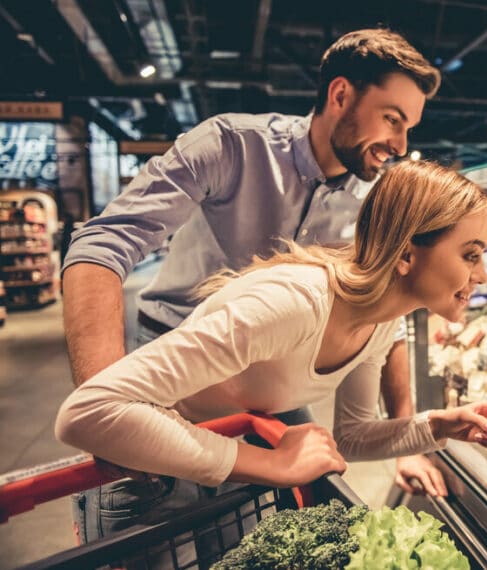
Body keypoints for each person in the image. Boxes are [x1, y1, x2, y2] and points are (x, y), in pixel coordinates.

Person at [61, 28, 447, 497]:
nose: (401, 145)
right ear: (340, 95)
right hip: (176, 350)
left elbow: (390, 318)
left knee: (316, 497)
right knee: (161, 513)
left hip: (276, 375)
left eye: (409, 128)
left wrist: (405, 441)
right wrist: (107, 398)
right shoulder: (231, 145)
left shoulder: (371, 203)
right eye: (392, 119)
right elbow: (104, 242)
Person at [55, 160, 487, 518]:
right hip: (144, 481)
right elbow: (89, 413)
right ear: (407, 254)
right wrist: (273, 465)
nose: (484, 275)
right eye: (471, 255)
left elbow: (352, 437)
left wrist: (439, 426)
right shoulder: (294, 304)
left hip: (215, 476)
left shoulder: (383, 319)